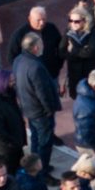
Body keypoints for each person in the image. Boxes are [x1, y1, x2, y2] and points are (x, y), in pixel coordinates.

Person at [14, 32, 59, 169]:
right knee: (45, 142)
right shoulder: (35, 66)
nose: (42, 46)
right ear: (34, 48)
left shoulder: (19, 60)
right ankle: (42, 169)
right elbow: (42, 93)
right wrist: (49, 110)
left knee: (35, 138)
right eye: (40, 44)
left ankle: (34, 165)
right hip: (40, 112)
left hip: (28, 108)